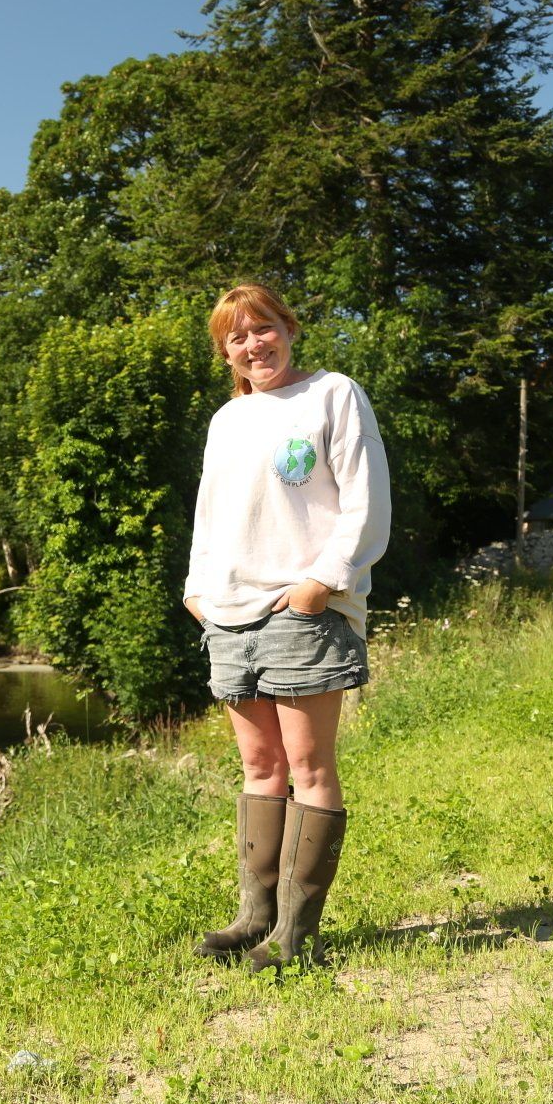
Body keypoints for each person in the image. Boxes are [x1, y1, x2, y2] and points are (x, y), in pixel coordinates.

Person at [182, 283, 391, 973]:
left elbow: (366, 502)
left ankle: (297, 934)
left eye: (262, 329)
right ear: (225, 352)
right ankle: (254, 919)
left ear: (288, 328)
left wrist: (319, 584)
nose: (252, 345)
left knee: (309, 768)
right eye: (236, 338)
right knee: (261, 767)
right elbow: (210, 516)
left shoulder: (333, 394)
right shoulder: (226, 420)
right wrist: (197, 589)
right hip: (230, 614)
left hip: (303, 610)